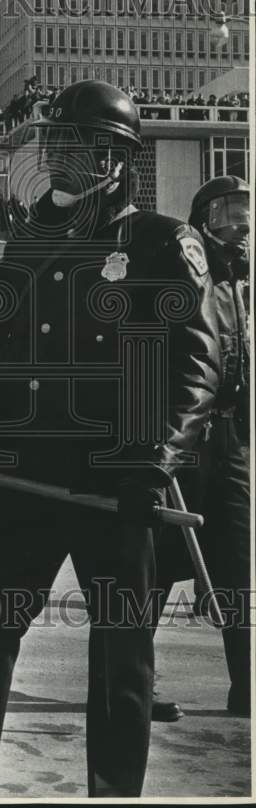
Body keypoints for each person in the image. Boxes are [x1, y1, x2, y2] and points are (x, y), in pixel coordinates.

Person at [0, 81, 220, 798]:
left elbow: (196, 362)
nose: (68, 158)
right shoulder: (24, 242)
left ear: (118, 159)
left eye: (89, 147)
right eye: (60, 143)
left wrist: (152, 460)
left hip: (118, 483)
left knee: (121, 657)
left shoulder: (157, 243)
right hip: (21, 480)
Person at [153, 175, 251, 719]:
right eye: (225, 215)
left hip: (231, 440)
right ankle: (131, 682)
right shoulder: (186, 277)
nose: (238, 227)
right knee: (158, 568)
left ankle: (248, 687)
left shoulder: (241, 284)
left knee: (241, 563)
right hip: (185, 441)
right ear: (201, 223)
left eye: (245, 214)